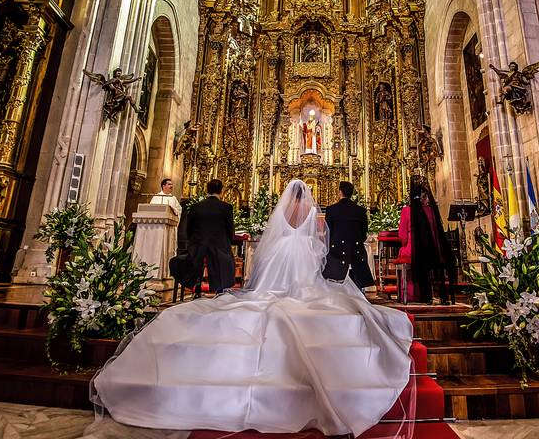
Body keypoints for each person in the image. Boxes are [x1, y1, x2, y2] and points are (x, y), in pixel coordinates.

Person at [92, 179, 414, 435]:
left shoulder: (286, 207)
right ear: (308, 195)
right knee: (306, 290)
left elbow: (280, 230)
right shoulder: (310, 210)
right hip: (302, 251)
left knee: (269, 291)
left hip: (284, 251)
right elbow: (318, 236)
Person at [398, 179, 456, 304]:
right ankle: (441, 296)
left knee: (404, 252)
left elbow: (402, 236)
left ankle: (416, 295)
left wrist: (405, 244)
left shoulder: (407, 211)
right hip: (435, 250)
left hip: (415, 250)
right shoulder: (431, 211)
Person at [186, 179, 235, 298]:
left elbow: (189, 227)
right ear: (221, 191)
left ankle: (197, 287)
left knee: (197, 257)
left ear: (207, 190)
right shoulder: (226, 207)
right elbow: (230, 228)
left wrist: (192, 241)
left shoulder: (196, 206)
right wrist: (229, 241)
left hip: (198, 244)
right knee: (225, 258)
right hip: (219, 245)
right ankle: (220, 288)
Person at [322, 181, 375, 290]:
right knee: (357, 278)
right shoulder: (360, 211)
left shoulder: (331, 210)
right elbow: (364, 232)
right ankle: (359, 291)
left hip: (336, 252)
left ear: (340, 192)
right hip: (356, 251)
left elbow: (327, 232)